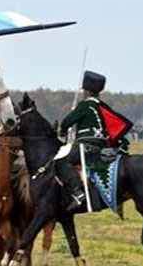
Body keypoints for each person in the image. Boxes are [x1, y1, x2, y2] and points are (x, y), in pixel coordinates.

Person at [57, 71, 133, 212]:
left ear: (86, 91)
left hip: (85, 145)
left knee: (61, 161)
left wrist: (63, 129)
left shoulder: (85, 105)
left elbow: (67, 122)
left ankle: (77, 192)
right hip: (101, 145)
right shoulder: (101, 106)